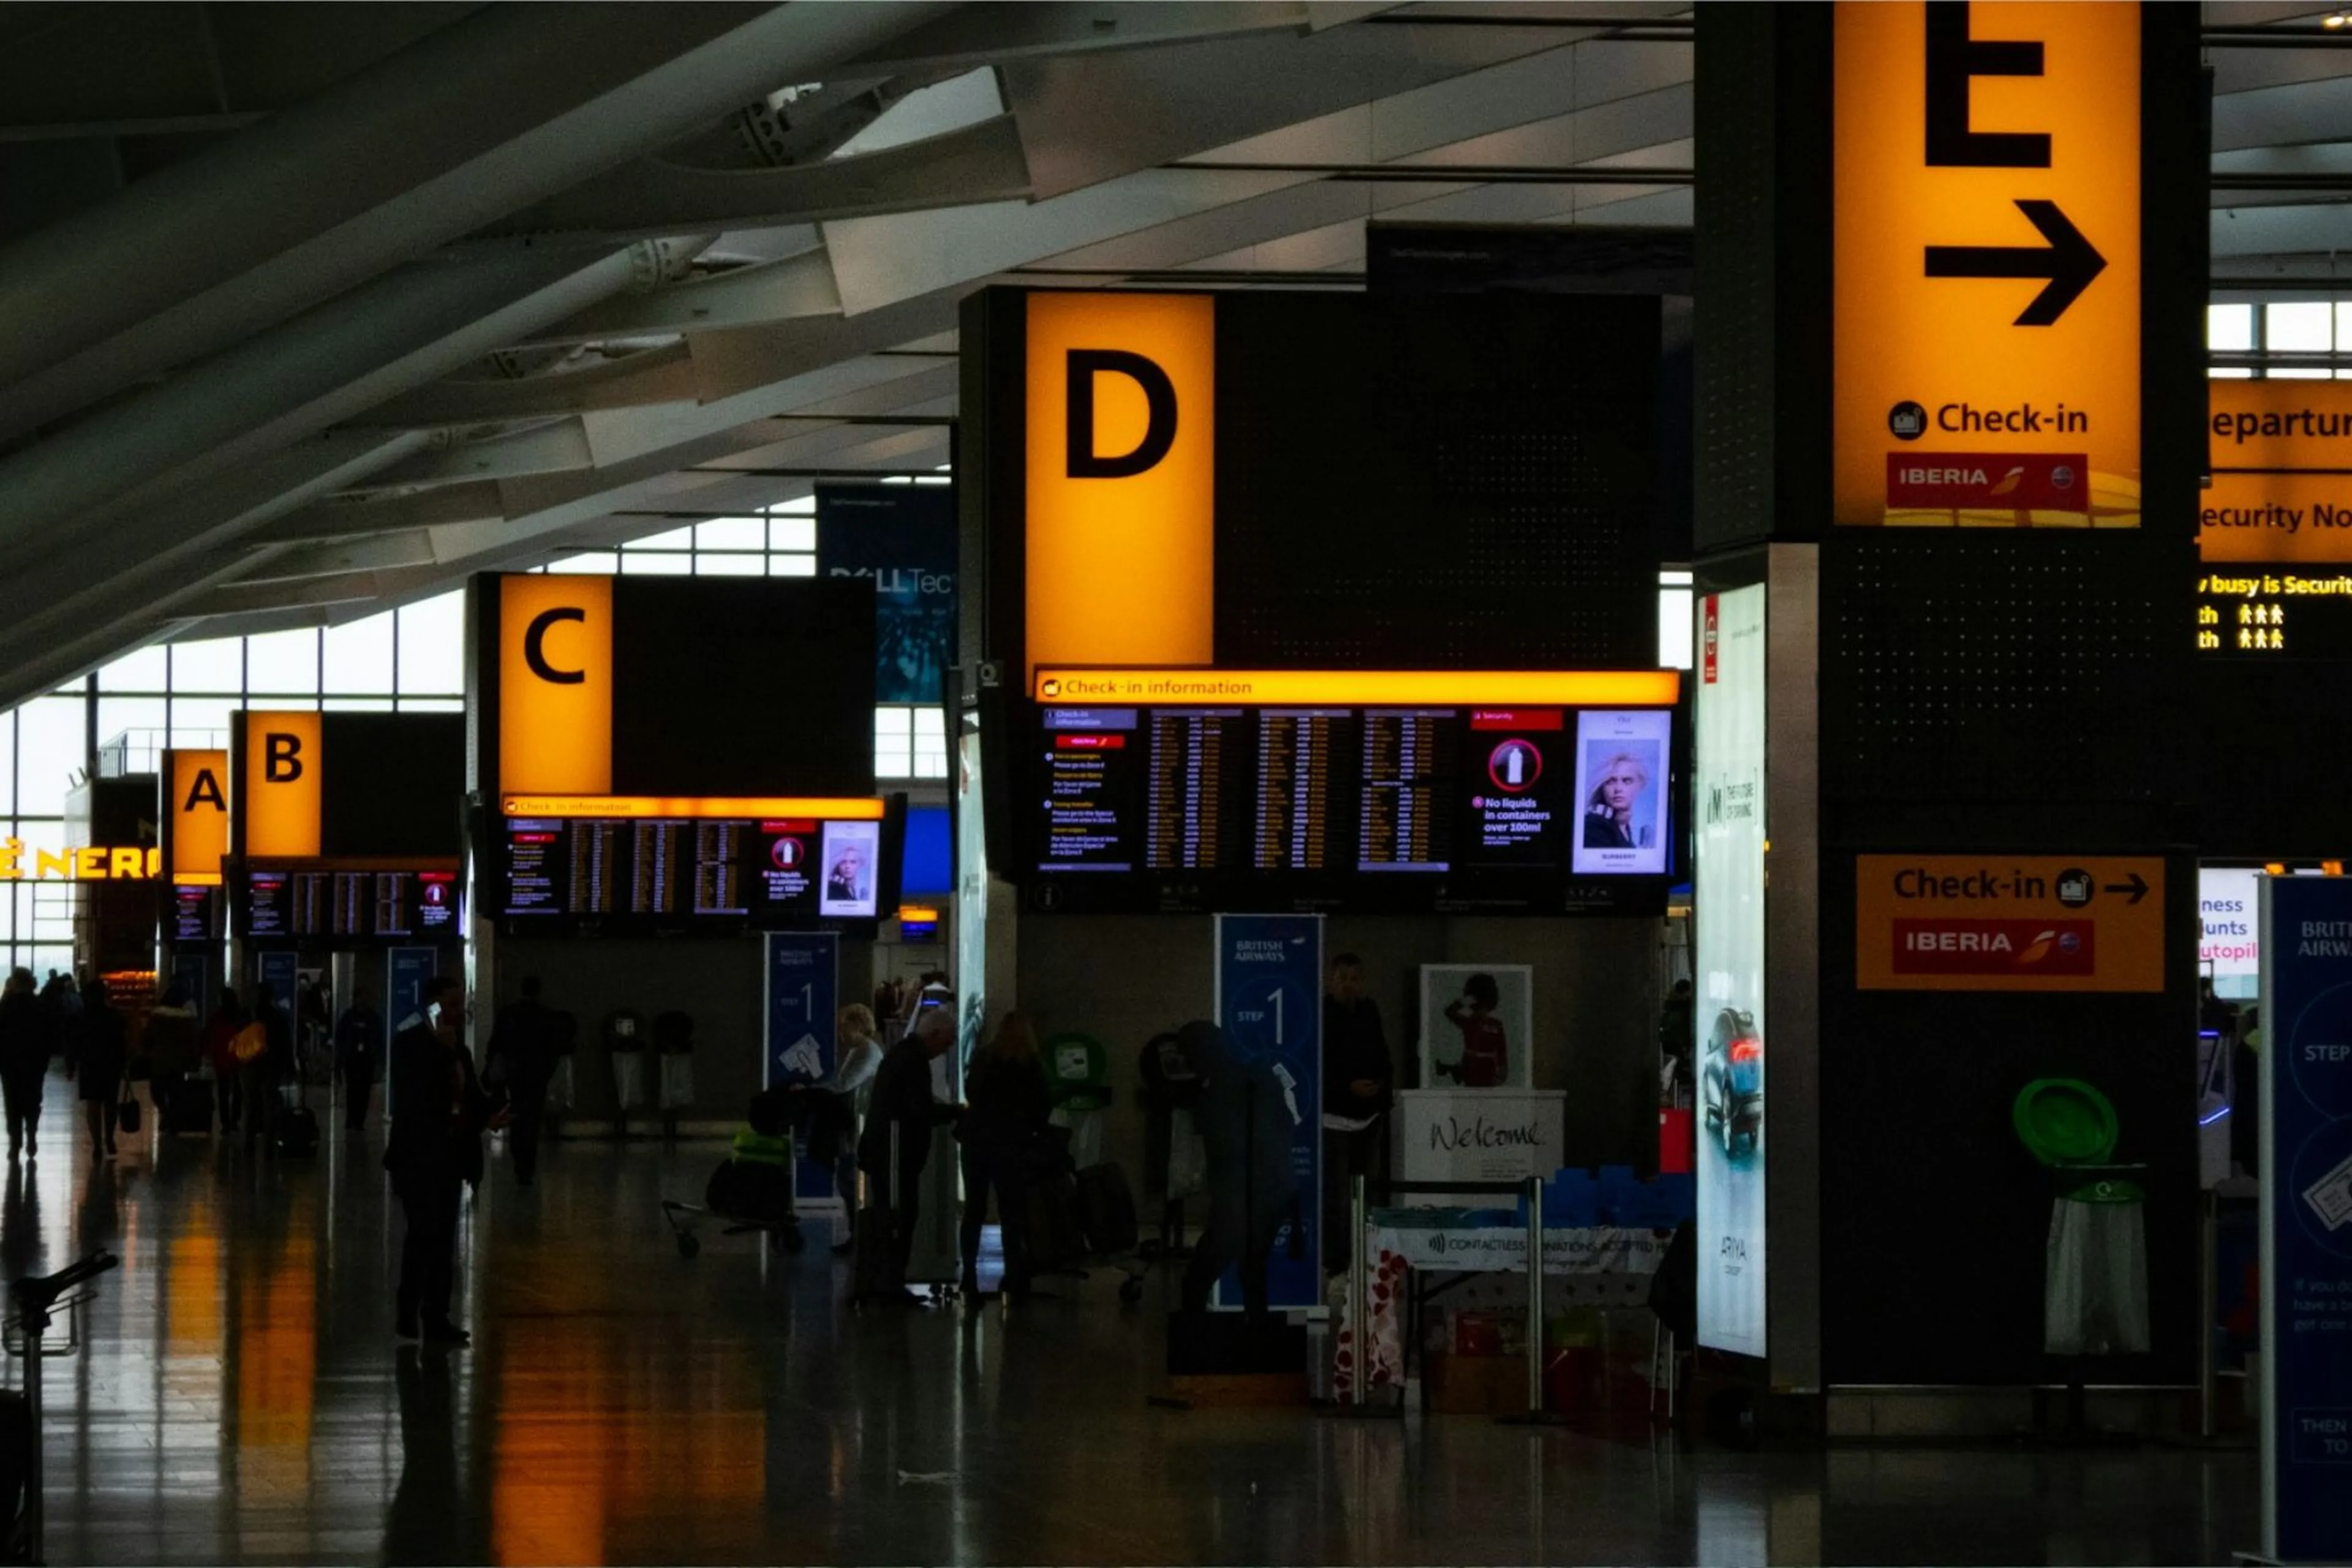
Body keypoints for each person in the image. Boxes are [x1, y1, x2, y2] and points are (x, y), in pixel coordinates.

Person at [384, 975, 504, 1344]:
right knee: (423, 1234)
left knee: (443, 1240)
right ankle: (409, 1311)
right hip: (418, 1158)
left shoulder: (461, 1053)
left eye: (460, 1006)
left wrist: (488, 1117)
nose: (457, 1014)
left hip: (450, 1158)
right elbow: (414, 1099)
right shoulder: (411, 1046)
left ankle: (436, 1316)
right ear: (434, 1008)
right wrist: (441, 1052)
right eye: (450, 1006)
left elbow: (470, 1097)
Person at [1178, 1019, 1297, 1319]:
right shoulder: (1257, 1077)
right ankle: (1260, 1351)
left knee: (1198, 1280)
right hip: (1275, 1192)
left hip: (1241, 1198)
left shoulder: (1215, 1093)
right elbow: (1284, 1126)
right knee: (1253, 1274)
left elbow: (1224, 1146)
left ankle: (1199, 1353)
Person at [856, 1004, 960, 1298]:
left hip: (887, 1153)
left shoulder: (903, 1054)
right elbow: (918, 1109)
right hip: (896, 1156)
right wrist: (953, 1112)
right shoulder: (913, 1059)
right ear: (934, 1033)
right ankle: (892, 1281)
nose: (949, 1046)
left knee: (894, 1215)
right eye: (948, 1039)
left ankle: (888, 1280)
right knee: (900, 1217)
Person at [958, 1012, 1051, 1302]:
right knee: (1012, 1213)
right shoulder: (1032, 1065)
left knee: (974, 1209)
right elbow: (1043, 1105)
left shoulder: (985, 1058)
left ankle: (969, 1276)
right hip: (1012, 1144)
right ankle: (1014, 1274)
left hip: (977, 1142)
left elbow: (971, 1090)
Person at [1321, 954, 1392, 1276]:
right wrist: (1347, 1088)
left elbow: (1381, 1053)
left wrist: (1381, 1092)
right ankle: (1337, 1262)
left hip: (1369, 1114)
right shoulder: (1323, 1014)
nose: (1349, 985)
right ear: (1331, 980)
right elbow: (1320, 1064)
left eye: (1354, 979)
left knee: (1369, 1192)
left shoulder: (1369, 1011)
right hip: (1334, 1115)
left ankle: (1369, 1258)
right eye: (1343, 979)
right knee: (1337, 1196)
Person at [487, 978, 559, 1186]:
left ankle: (519, 1161)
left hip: (513, 1074)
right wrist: (546, 1073)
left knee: (516, 1117)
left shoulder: (509, 1014)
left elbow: (496, 1044)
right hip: (537, 1076)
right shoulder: (547, 1016)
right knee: (532, 1120)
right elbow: (553, 1050)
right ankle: (528, 1165)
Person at [826, 1004, 886, 1253]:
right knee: (846, 1179)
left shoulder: (867, 1052)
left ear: (857, 1026)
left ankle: (858, 1234)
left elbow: (845, 1084)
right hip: (852, 1124)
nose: (841, 1032)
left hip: (858, 1125)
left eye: (844, 1026)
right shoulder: (859, 1050)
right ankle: (856, 1232)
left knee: (849, 1180)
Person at [67, 977, 127, 1159]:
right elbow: (121, 1043)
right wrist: (124, 1064)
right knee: (110, 1104)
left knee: (93, 1105)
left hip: (89, 1064)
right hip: (111, 1064)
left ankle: (97, 1144)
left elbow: (73, 1044)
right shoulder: (114, 1016)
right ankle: (109, 1137)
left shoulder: (81, 1017)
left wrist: (71, 1066)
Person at [0, 970, 51, 1160]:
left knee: (12, 1102)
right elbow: (47, 1035)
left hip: (10, 1061)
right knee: (32, 1101)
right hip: (34, 1061)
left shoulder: (7, 1004)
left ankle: (15, 1143)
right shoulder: (39, 1005)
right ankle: (31, 1135)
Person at [244, 982, 294, 1153]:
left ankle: (249, 1143)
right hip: (272, 1065)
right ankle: (269, 1145)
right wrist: (290, 1067)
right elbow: (286, 1044)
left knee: (251, 1104)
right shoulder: (278, 1018)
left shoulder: (249, 1016)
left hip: (251, 1065)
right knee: (270, 1104)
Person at [1440, 973, 1510, 1088]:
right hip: (1471, 1067)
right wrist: (1468, 999)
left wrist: (1502, 1073)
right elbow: (1450, 1012)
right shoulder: (1470, 1022)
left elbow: (1502, 1051)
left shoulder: (1494, 1025)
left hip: (1486, 1069)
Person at [144, 983, 201, 1120]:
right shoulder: (186, 1020)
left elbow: (148, 1038)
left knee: (158, 1091)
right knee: (176, 1092)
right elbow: (193, 1041)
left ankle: (165, 1113)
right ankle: (173, 1119)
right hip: (179, 1062)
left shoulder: (157, 1017)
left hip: (160, 1061)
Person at [335, 993, 386, 1132]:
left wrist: (379, 1061)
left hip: (368, 1059)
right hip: (351, 1058)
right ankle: (351, 1118)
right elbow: (340, 1037)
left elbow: (379, 1039)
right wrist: (339, 1060)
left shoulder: (373, 1018)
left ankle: (359, 1120)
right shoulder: (349, 1017)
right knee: (352, 1089)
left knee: (364, 1091)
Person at [200, 990, 249, 1135]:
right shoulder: (241, 1017)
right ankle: (235, 1120)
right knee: (238, 1090)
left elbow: (207, 1035)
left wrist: (203, 1052)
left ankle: (225, 1122)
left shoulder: (217, 1017)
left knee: (223, 1091)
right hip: (238, 1057)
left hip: (221, 1058)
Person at [1583, 750, 1654, 850]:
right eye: (1611, 781)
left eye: (1627, 781)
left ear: (1640, 786)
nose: (1618, 789)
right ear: (1602, 787)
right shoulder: (1594, 825)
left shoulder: (1627, 827)